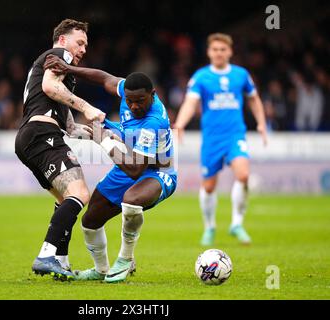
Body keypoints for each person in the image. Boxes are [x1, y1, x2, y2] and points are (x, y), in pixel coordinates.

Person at [44, 55, 177, 282]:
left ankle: (125, 259)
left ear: (153, 96)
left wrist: (102, 139)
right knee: (90, 221)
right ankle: (101, 269)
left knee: (131, 200)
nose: (134, 106)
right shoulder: (129, 90)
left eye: (140, 101)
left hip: (156, 172)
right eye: (130, 100)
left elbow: (135, 170)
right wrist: (69, 69)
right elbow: (105, 78)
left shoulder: (154, 122)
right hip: (128, 160)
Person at [14, 19, 106, 281]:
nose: (83, 49)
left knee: (65, 198)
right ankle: (46, 255)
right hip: (43, 134)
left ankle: (61, 263)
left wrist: (90, 133)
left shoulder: (53, 68)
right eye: (80, 42)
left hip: (29, 137)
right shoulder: (59, 55)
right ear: (63, 40)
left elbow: (68, 125)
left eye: (86, 45)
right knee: (80, 193)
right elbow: (50, 87)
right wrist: (87, 107)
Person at [173, 33, 267, 246]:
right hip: (212, 139)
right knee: (208, 186)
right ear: (209, 52)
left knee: (243, 175)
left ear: (230, 52)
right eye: (215, 49)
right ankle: (210, 227)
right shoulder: (201, 77)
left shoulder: (241, 75)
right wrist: (180, 123)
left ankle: (237, 224)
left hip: (235, 135)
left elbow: (254, 99)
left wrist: (261, 122)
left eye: (223, 49)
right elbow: (190, 102)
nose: (219, 53)